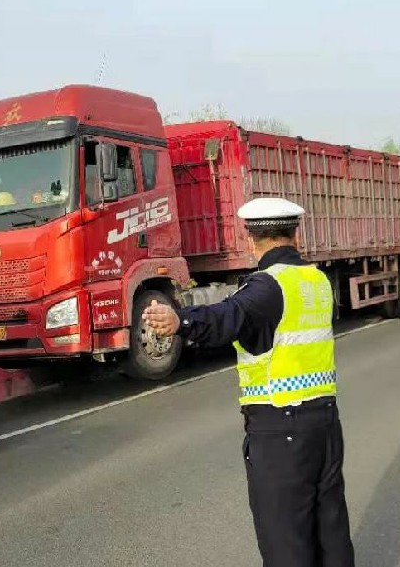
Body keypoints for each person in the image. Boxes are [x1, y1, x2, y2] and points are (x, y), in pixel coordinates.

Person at [142, 197, 355, 567]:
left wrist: (181, 321)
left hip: (281, 431)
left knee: (286, 542)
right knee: (331, 533)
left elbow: (231, 313)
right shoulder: (317, 280)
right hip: (325, 425)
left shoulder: (268, 286)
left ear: (249, 238)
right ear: (295, 233)